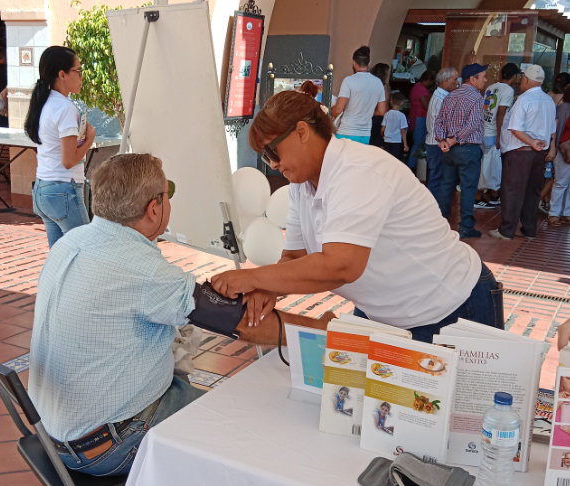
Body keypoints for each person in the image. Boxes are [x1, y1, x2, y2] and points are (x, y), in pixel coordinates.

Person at [29, 152, 335, 476]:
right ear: (154, 209)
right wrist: (321, 330)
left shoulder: (70, 241)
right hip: (110, 442)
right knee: (245, 433)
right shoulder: (145, 271)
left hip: (53, 430)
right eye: (167, 194)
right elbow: (242, 324)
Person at [210, 83, 503, 344]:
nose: (272, 165)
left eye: (272, 153)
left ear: (301, 132)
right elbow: (295, 257)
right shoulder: (303, 185)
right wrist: (266, 287)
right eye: (265, 158)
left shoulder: (356, 171)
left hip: (450, 306)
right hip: (384, 312)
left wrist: (254, 278)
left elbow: (341, 266)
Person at [25, 46, 94, 248]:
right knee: (84, 253)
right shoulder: (65, 108)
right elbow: (69, 160)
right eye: (78, 71)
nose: (82, 76)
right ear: (62, 74)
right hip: (64, 189)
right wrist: (89, 140)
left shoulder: (45, 103)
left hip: (43, 188)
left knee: (59, 258)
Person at [489, 65, 556, 241]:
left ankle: (506, 231)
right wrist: (547, 146)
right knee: (532, 192)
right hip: (539, 153)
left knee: (512, 191)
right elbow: (552, 129)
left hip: (520, 152)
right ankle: (529, 230)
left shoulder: (524, 100)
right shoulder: (549, 100)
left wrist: (531, 141)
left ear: (526, 80)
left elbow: (516, 129)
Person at [434, 63, 488, 239]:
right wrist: (452, 140)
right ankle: (466, 227)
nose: (485, 80)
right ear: (472, 79)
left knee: (446, 185)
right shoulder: (477, 98)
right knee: (468, 188)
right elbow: (471, 126)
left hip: (449, 150)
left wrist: (443, 140)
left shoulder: (450, 96)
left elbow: (439, 121)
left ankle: (440, 223)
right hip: (468, 148)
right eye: (483, 76)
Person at [475, 63, 519, 210]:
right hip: (493, 133)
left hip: (484, 131)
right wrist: (500, 136)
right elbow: (501, 113)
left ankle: (494, 196)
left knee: (489, 166)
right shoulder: (508, 90)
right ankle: (478, 197)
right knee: (489, 168)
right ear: (515, 77)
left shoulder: (491, 87)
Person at [332, 46, 387, 144]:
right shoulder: (378, 83)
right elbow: (382, 111)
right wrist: (366, 112)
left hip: (347, 132)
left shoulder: (349, 81)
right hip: (365, 134)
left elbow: (338, 109)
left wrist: (329, 111)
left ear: (354, 62)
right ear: (369, 63)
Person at [425, 67, 459, 199]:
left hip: (436, 142)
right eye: (455, 79)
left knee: (437, 177)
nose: (457, 83)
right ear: (446, 80)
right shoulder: (443, 98)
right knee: (438, 178)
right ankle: (431, 208)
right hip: (438, 143)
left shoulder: (440, 95)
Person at [406, 70, 436, 169]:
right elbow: (427, 106)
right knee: (418, 144)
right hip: (420, 118)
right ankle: (410, 166)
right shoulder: (421, 90)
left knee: (419, 143)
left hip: (419, 117)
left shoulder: (418, 87)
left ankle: (413, 166)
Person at [550, 85, 570, 226]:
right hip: (563, 149)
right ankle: (554, 213)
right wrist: (553, 148)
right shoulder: (563, 108)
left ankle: (567, 212)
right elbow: (554, 130)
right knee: (561, 182)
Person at [369, 63, 392, 148]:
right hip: (380, 117)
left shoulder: (371, 84)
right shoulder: (385, 86)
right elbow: (386, 107)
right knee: (379, 143)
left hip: (370, 115)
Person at [381, 92, 408, 160]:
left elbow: (382, 129)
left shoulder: (387, 114)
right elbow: (403, 131)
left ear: (391, 101)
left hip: (387, 140)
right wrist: (405, 144)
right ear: (402, 103)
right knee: (395, 159)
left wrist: (383, 136)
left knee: (387, 159)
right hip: (396, 141)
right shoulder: (402, 116)